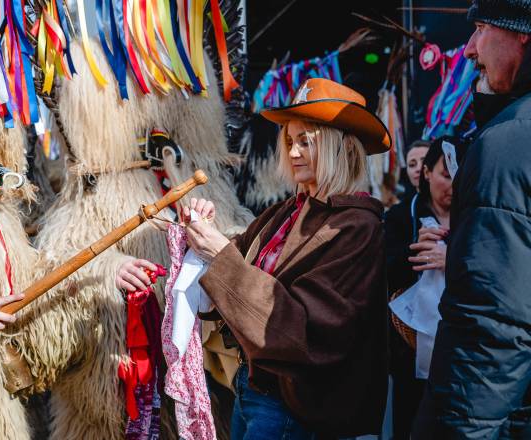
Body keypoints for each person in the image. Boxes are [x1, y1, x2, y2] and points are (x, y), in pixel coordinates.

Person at [169, 78, 390, 438]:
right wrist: (202, 234)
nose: (293, 152)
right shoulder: (284, 213)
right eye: (289, 141)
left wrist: (218, 255)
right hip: (253, 391)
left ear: (340, 148)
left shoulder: (357, 228)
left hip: (296, 409)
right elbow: (228, 273)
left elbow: (303, 329)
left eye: (306, 141)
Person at [412, 1, 531, 438]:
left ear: (522, 33)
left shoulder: (508, 142)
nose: (467, 49)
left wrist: (463, 430)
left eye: (481, 28)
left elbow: (493, 322)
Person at [384, 138, 457, 439]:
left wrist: (453, 257)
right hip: (410, 350)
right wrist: (414, 252)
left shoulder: (472, 217)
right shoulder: (402, 216)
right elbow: (382, 272)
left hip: (457, 347)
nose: (452, 184)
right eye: (445, 175)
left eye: (458, 176)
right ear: (427, 174)